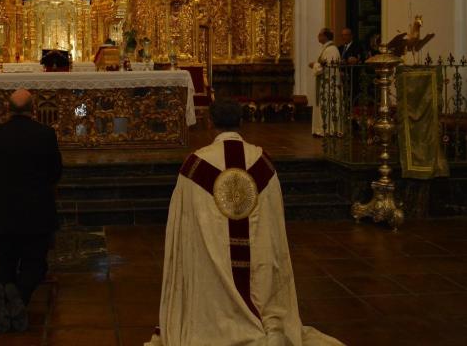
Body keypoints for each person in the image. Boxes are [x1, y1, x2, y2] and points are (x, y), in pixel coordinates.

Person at [145, 99, 344, 346]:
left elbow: (182, 230)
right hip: (258, 273)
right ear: (242, 122)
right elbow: (274, 229)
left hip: (211, 283)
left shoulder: (194, 166)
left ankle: (220, 310)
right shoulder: (262, 163)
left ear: (210, 122)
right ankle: (259, 314)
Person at [0, 89, 62, 333]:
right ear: (33, 110)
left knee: (1, 262)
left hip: (1, 211)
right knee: (36, 264)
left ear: (7, 109)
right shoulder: (46, 134)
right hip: (36, 213)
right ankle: (19, 295)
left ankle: (2, 295)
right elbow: (55, 173)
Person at [309, 28, 341, 137]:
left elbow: (326, 66)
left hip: (329, 83)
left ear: (326, 37)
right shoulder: (326, 48)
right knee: (324, 105)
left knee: (329, 104)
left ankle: (329, 129)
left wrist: (314, 65)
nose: (318, 36)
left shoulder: (331, 49)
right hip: (325, 83)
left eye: (320, 34)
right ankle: (322, 129)